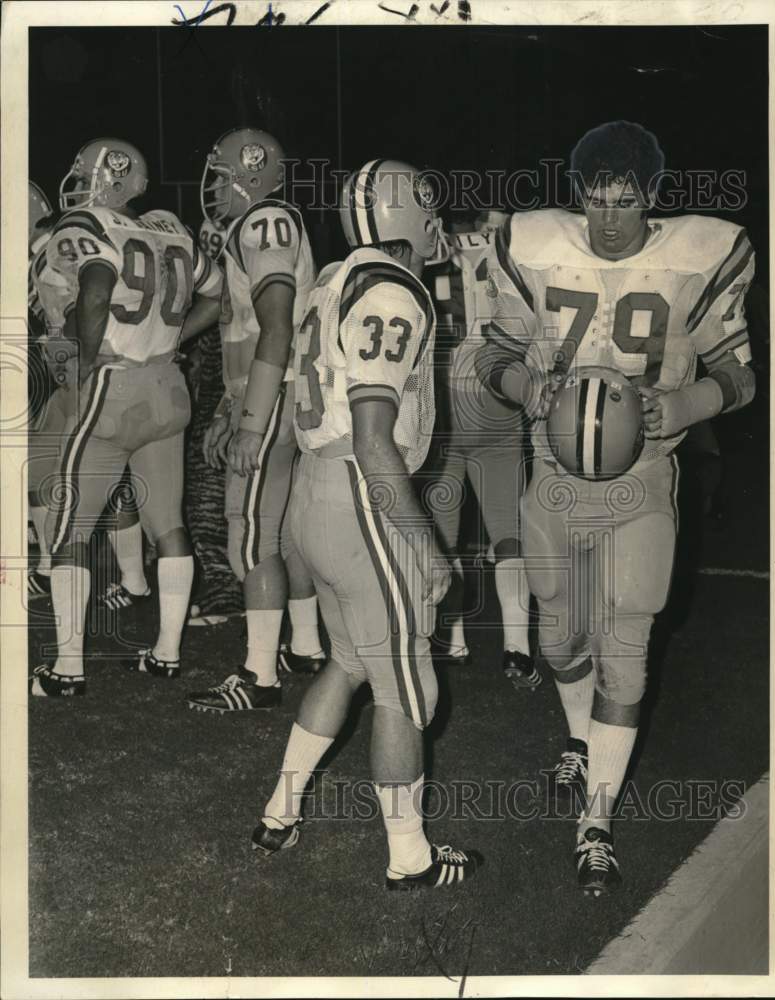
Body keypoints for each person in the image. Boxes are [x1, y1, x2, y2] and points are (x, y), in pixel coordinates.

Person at [476, 120, 756, 894]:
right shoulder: (531, 244)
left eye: (624, 202)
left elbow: (739, 372)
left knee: (624, 638)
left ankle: (594, 823)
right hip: (554, 474)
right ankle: (576, 738)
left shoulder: (698, 256)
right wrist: (523, 386)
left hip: (642, 479)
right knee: (559, 633)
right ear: (577, 198)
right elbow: (492, 351)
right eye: (595, 201)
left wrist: (689, 400)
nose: (607, 220)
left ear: (654, 198)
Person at [252, 160, 482, 890]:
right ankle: (408, 855)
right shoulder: (392, 290)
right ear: (408, 213)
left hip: (317, 493)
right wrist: (425, 545)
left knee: (349, 661)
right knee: (407, 687)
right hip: (363, 495)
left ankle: (278, 812)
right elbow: (379, 437)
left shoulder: (330, 279)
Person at [29, 138, 221, 697]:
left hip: (115, 387)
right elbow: (220, 297)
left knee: (70, 528)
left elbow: (94, 294)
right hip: (168, 385)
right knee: (171, 523)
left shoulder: (91, 224)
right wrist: (169, 340)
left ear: (103, 178)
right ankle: (166, 654)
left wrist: (86, 365)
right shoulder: (170, 228)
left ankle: (67, 669)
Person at [186, 128, 325, 715]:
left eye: (221, 175)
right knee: (285, 531)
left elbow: (274, 325)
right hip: (275, 391)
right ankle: (307, 645)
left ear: (247, 174)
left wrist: (250, 422)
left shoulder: (263, 221)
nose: (213, 186)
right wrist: (228, 408)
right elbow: (243, 333)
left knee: (250, 535)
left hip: (275, 392)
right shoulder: (261, 224)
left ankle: (259, 676)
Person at [423, 210, 539, 687]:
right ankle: (517, 646)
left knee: (442, 527)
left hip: (444, 395)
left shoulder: (428, 245)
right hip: (495, 395)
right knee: (507, 528)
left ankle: (451, 636)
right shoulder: (506, 246)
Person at [27, 180, 151, 610]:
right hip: (126, 367)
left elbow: (81, 305)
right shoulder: (110, 235)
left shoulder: (58, 242)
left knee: (50, 467)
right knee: (108, 477)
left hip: (84, 365)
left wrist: (72, 359)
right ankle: (132, 580)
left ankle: (50, 569)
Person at [183, 217, 245, 627]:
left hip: (228, 401)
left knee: (209, 505)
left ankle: (227, 593)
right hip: (225, 399)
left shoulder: (235, 292)